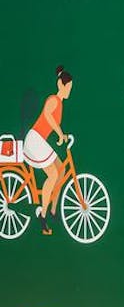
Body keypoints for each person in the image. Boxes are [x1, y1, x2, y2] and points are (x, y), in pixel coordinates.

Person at [23, 66, 73, 236]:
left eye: (70, 88)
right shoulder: (53, 100)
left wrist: (63, 135)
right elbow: (48, 116)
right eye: (68, 87)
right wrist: (59, 134)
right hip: (34, 139)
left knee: (62, 169)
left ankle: (52, 210)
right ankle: (42, 215)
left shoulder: (61, 105)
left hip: (40, 141)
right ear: (60, 84)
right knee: (52, 174)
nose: (69, 91)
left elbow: (54, 123)